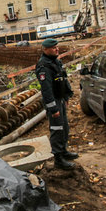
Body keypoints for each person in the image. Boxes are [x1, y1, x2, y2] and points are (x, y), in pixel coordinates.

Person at [36, 38, 78, 170]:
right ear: (45, 50)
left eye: (57, 47)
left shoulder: (55, 62)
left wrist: (67, 95)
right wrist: (53, 108)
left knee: (64, 127)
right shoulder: (43, 66)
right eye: (54, 48)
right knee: (57, 129)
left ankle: (64, 150)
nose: (57, 49)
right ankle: (58, 159)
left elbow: (63, 79)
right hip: (54, 101)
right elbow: (46, 90)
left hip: (60, 99)